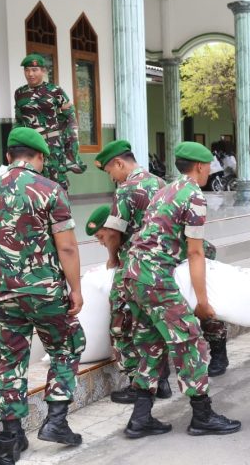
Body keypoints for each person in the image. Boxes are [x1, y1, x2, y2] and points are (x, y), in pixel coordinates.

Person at [0, 127, 85, 464]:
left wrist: (2, 282)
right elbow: (65, 245)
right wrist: (76, 288)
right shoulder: (50, 190)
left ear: (9, 156)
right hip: (44, 291)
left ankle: (8, 439)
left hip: (3, 292)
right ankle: (56, 420)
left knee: (10, 361)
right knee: (68, 345)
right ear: (38, 158)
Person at [121, 141, 241, 438]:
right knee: (190, 341)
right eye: (208, 167)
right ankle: (202, 414)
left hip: (134, 274)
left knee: (151, 343)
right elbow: (196, 253)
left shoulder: (166, 190)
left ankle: (140, 418)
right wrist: (202, 302)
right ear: (200, 167)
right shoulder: (194, 195)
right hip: (156, 277)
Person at [90, 140, 172, 404]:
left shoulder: (126, 190)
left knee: (121, 324)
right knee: (154, 322)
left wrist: (113, 258)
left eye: (110, 172)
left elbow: (113, 232)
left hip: (133, 267)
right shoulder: (161, 184)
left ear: (119, 163)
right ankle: (163, 380)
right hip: (161, 266)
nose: (112, 177)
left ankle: (139, 383)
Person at [13, 54, 85, 192]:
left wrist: (71, 141)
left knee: (57, 183)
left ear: (43, 71)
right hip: (30, 145)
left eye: (34, 70)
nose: (30, 74)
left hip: (52, 144)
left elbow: (70, 116)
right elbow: (19, 120)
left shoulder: (55, 91)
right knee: (31, 182)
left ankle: (61, 212)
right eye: (27, 70)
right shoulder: (20, 93)